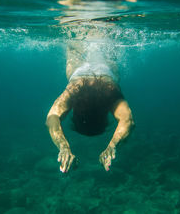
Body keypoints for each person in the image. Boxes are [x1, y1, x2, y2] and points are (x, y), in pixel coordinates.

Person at [45, 39, 134, 173]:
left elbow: (128, 121)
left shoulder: (108, 91)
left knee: (107, 41)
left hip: (107, 67)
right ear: (75, 114)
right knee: (74, 39)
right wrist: (63, 147)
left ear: (104, 116)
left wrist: (113, 146)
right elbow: (52, 118)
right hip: (76, 66)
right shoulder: (75, 89)